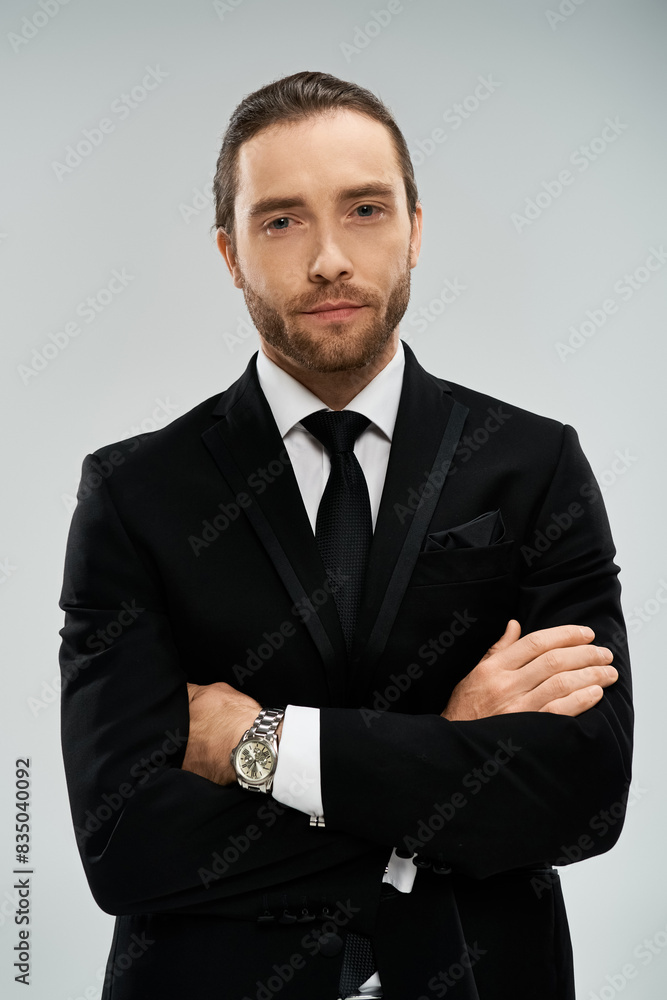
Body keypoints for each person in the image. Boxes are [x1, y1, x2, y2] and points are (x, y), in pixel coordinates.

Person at [58, 70, 633, 1000]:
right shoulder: (135, 492)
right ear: (229, 253)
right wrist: (449, 752)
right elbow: (123, 842)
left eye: (364, 209)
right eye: (280, 220)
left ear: (414, 228)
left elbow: (582, 797)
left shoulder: (532, 468)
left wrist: (267, 745)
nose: (328, 257)